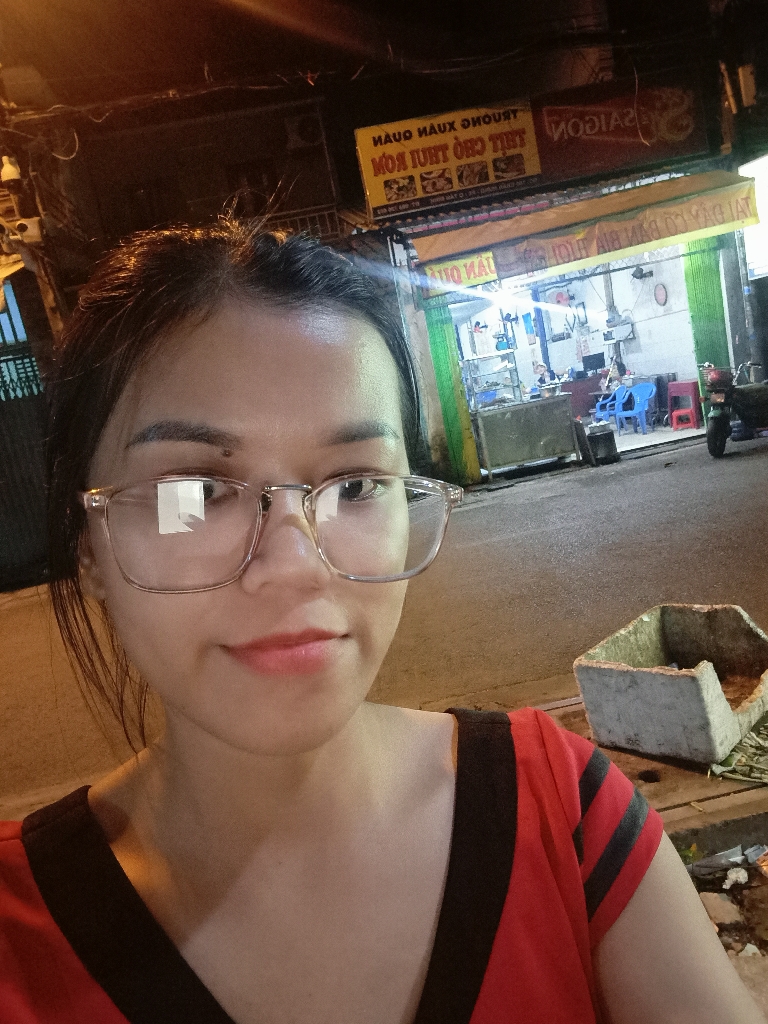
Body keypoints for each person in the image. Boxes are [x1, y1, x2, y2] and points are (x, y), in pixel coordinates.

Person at [0, 221, 763, 1024]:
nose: (295, 562)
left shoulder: (563, 817)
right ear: (87, 547)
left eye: (356, 485)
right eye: (194, 493)